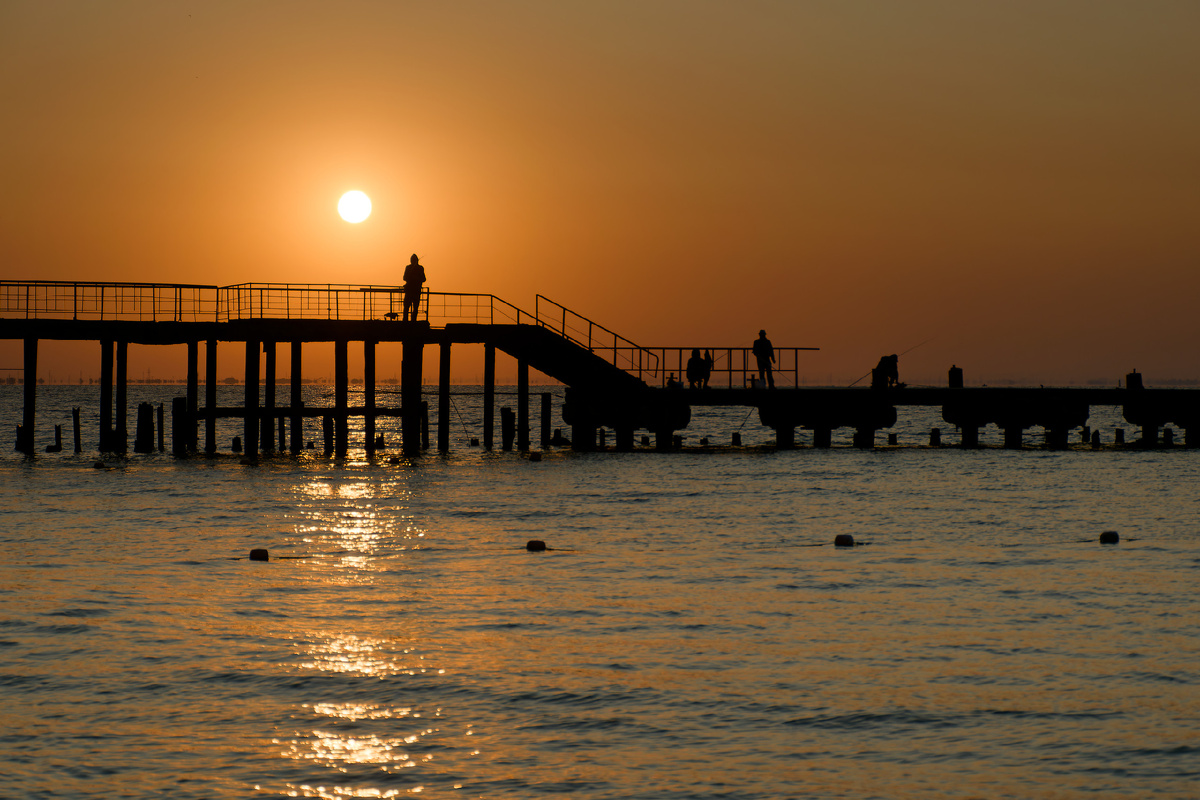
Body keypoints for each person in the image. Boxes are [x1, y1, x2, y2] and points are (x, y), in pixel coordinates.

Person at [402, 254, 426, 321]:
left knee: (415, 308)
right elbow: (405, 278)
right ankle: (405, 321)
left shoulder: (420, 268)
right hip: (411, 291)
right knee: (406, 307)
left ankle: (413, 320)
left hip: (415, 291)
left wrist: (416, 278)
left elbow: (424, 279)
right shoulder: (408, 268)